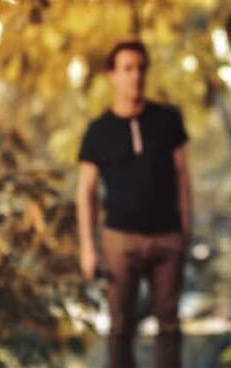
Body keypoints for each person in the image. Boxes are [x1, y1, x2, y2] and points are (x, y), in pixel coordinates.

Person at [77, 40, 192, 368]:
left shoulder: (168, 120)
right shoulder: (98, 131)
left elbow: (182, 176)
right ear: (112, 75)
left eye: (141, 68)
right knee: (120, 327)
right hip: (120, 240)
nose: (135, 76)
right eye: (127, 69)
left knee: (169, 326)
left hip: (167, 236)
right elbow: (85, 191)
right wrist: (88, 248)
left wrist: (185, 230)